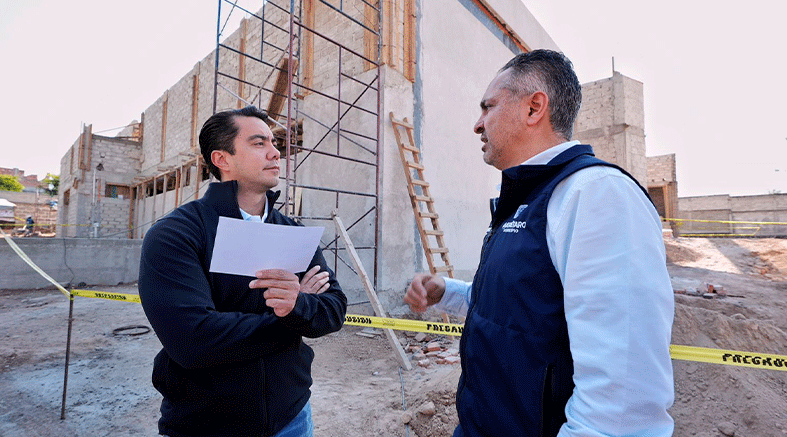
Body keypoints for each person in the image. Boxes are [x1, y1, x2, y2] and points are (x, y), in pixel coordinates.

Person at [404, 50, 674, 437]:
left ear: (534, 108)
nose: (478, 125)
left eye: (488, 107)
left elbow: (621, 406)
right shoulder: (529, 200)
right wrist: (446, 291)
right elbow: (522, 306)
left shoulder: (597, 195)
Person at [139, 106, 347, 437]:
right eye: (258, 143)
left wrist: (299, 304)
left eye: (273, 143)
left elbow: (334, 310)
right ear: (222, 159)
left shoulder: (293, 232)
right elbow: (193, 341)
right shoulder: (176, 234)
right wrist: (290, 317)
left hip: (292, 418)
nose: (275, 152)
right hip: (206, 427)